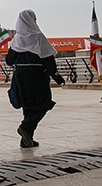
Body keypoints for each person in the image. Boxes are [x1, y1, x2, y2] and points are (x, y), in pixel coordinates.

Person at [5, 9, 65, 149]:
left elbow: (9, 60)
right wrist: (57, 77)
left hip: (20, 77)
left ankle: (27, 140)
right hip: (37, 76)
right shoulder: (38, 37)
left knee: (28, 106)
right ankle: (26, 128)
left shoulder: (17, 39)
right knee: (43, 104)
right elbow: (48, 59)